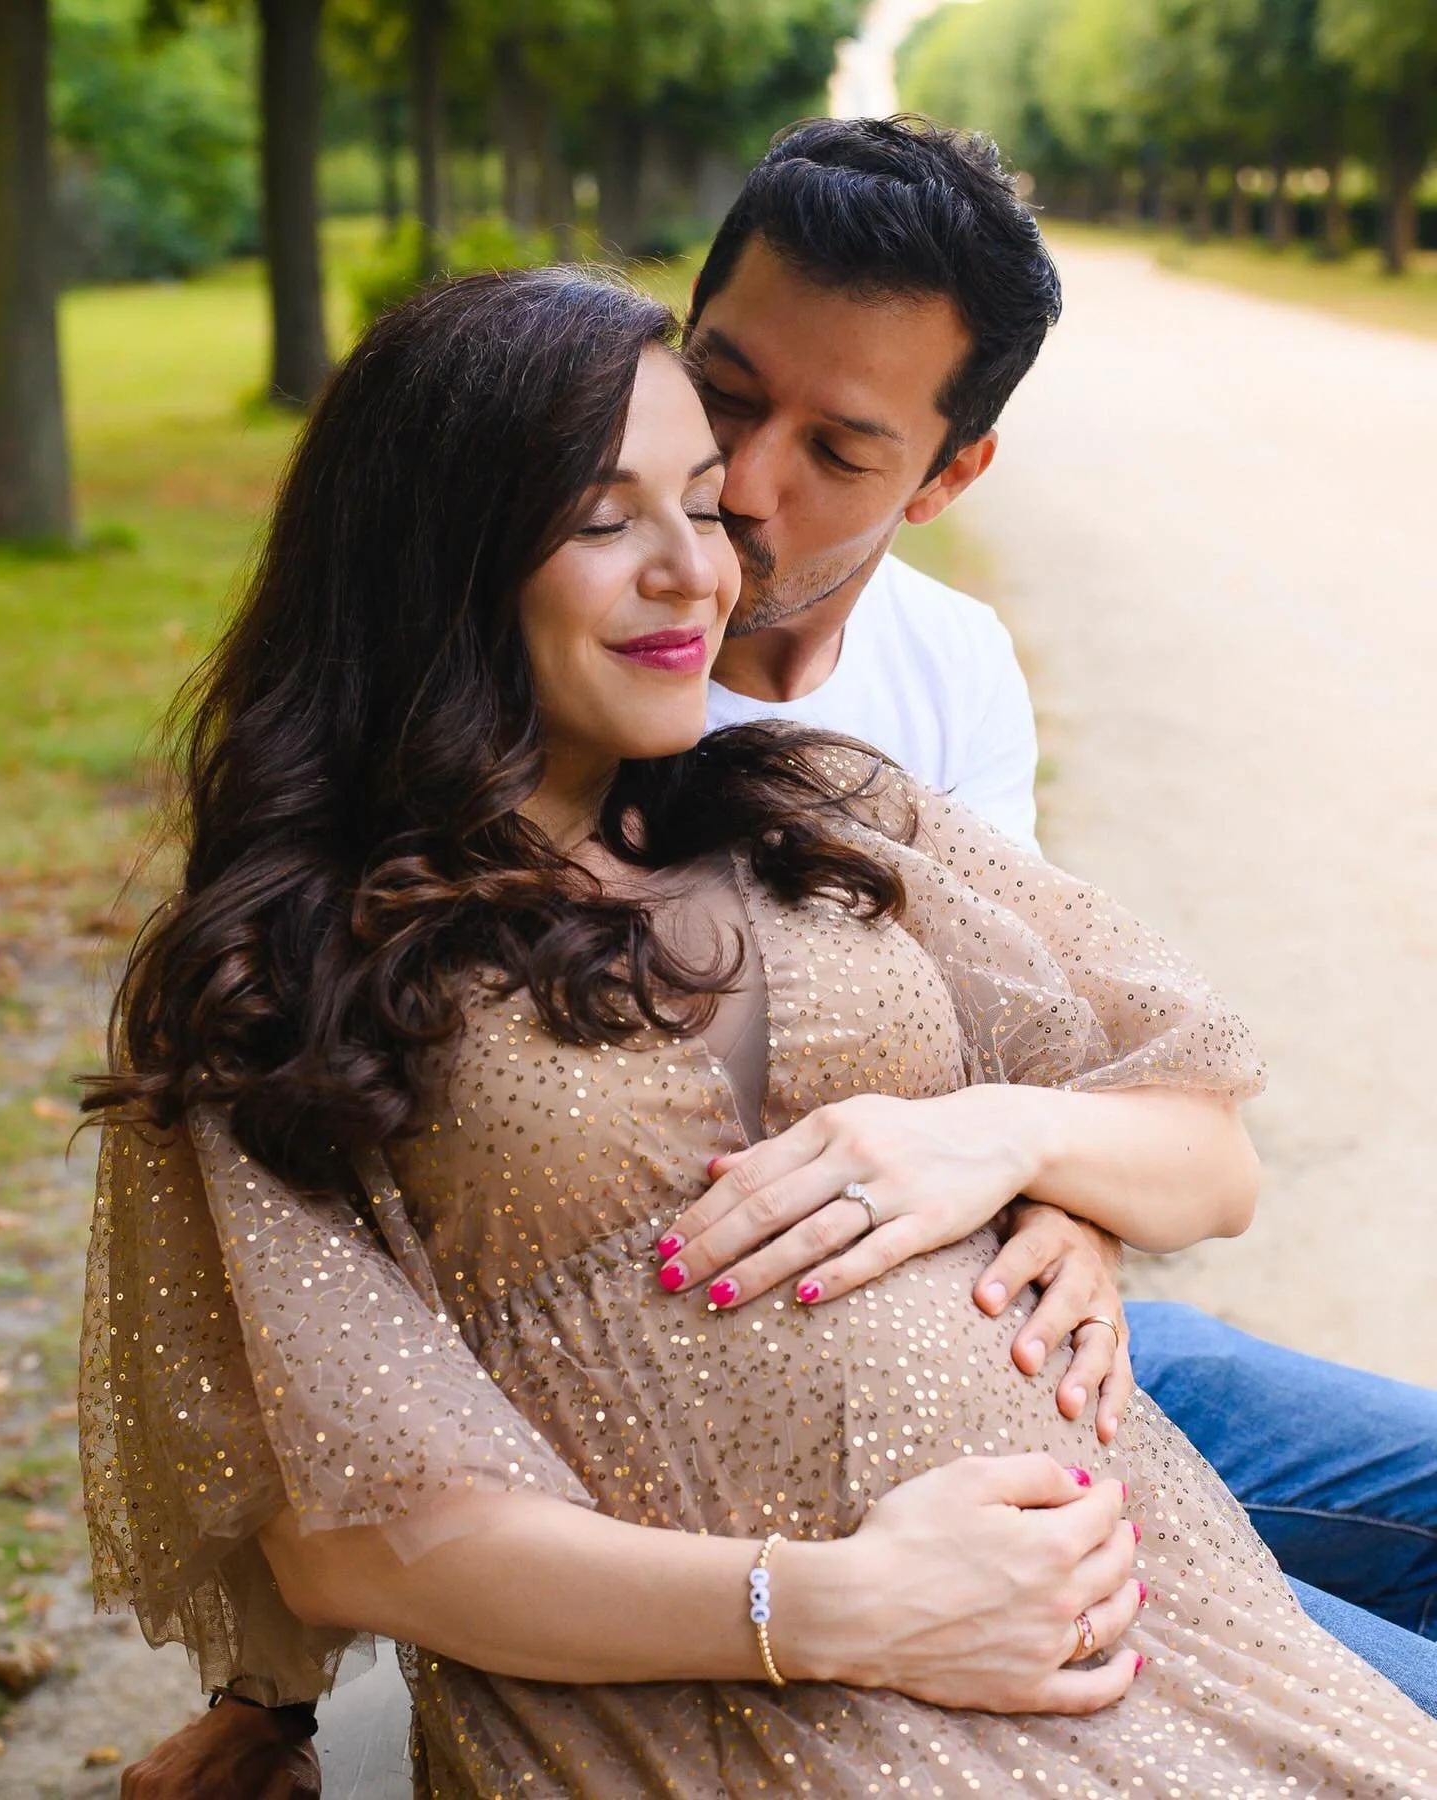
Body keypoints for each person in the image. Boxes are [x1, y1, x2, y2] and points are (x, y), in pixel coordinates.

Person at [113, 117, 1437, 1795]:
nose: (728, 514)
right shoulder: (315, 941)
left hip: (1083, 1478)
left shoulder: (853, 765)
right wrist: (833, 1605)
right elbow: (346, 1479)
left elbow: (1177, 1114)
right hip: (775, 1638)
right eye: (708, 414)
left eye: (827, 448)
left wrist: (1032, 1160)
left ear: (947, 478)